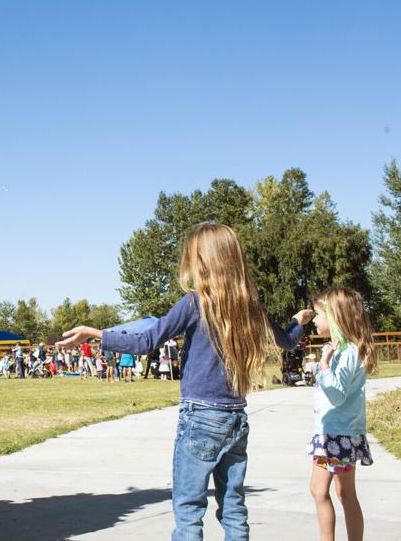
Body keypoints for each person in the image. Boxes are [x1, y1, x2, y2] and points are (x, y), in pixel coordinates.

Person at [60, 223, 309, 540]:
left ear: (202, 262)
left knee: (189, 511)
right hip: (236, 418)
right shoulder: (250, 306)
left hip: (200, 417)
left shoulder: (195, 303)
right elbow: (286, 341)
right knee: (233, 508)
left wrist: (97, 334)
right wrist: (298, 323)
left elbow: (148, 340)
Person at [308, 288, 378, 541]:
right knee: (344, 494)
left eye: (318, 314)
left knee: (319, 490)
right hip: (339, 434)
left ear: (334, 316)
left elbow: (336, 396)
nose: (315, 321)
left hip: (335, 436)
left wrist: (324, 366)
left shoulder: (346, 353)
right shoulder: (347, 350)